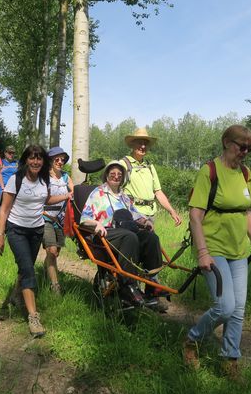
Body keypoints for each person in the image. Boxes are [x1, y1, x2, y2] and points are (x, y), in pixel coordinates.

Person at [182, 125, 251, 380]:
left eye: (249, 148)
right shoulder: (209, 171)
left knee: (239, 309)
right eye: (241, 146)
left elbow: (247, 212)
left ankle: (230, 359)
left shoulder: (245, 173)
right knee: (225, 307)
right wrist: (202, 253)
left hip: (238, 249)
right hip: (213, 247)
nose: (245, 152)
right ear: (226, 142)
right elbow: (195, 216)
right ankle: (191, 341)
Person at [0, 145, 71, 337]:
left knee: (24, 267)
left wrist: (67, 196)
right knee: (29, 270)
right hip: (16, 230)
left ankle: (15, 297)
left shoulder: (44, 180)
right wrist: (0, 235)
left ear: (43, 161)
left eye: (39, 158)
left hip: (36, 231)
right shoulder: (16, 180)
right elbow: (4, 210)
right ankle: (33, 317)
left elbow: (47, 200)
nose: (35, 162)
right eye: (32, 158)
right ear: (26, 160)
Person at [80, 161, 162, 308]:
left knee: (151, 238)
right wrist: (96, 224)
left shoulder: (124, 196)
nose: (116, 177)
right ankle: (128, 287)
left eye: (119, 174)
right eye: (112, 174)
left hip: (125, 231)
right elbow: (84, 220)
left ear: (123, 177)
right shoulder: (97, 193)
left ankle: (152, 285)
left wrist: (145, 221)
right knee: (130, 237)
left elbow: (135, 215)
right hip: (105, 233)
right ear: (106, 176)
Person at [120, 127, 182, 226]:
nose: (143, 146)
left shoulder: (149, 167)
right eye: (140, 143)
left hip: (151, 214)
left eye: (146, 144)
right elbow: (114, 191)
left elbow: (158, 192)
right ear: (132, 144)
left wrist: (172, 211)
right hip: (133, 214)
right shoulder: (123, 164)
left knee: (150, 241)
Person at [42, 146, 74, 295]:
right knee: (52, 251)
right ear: (50, 160)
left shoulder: (66, 177)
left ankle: (44, 273)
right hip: (46, 218)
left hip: (62, 220)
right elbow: (46, 199)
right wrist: (66, 196)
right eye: (57, 159)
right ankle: (55, 287)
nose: (60, 162)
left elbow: (74, 192)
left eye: (63, 159)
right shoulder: (44, 178)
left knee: (55, 253)